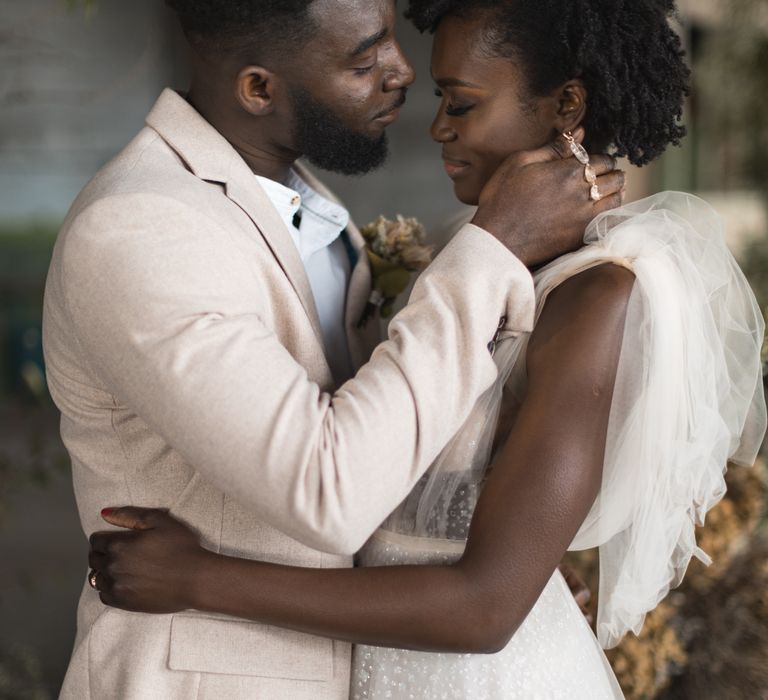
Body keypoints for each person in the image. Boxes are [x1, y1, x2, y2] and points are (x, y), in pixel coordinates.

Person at [88, 0, 767, 698]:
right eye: (442, 96)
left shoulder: (598, 298)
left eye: (461, 102)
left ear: (566, 104)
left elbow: (484, 606)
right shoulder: (479, 254)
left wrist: (201, 578)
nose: (435, 121)